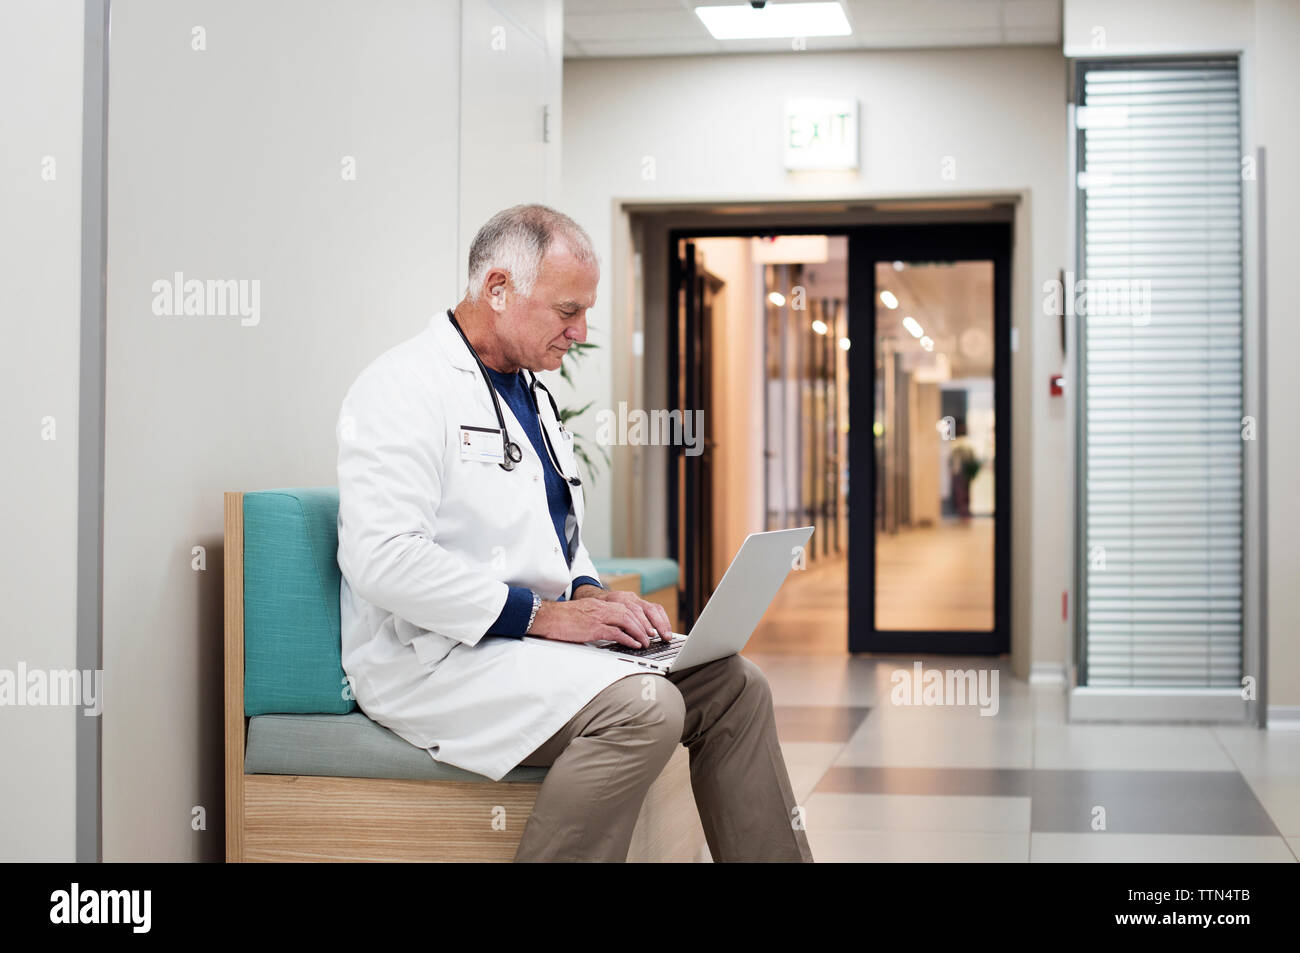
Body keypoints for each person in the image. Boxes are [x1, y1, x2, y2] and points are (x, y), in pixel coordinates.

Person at [336, 204, 812, 863]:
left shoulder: (532, 394)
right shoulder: (403, 387)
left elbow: (553, 535)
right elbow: (382, 560)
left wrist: (589, 592)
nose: (580, 332)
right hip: (434, 658)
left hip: (525, 649)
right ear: (497, 288)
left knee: (734, 683)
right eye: (567, 311)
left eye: (584, 313)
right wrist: (545, 617)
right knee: (647, 708)